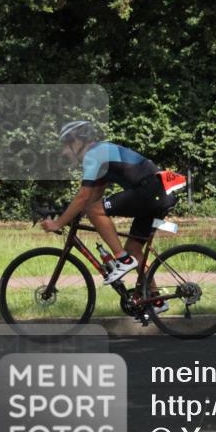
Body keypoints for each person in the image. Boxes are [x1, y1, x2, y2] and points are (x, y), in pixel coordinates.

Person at [42, 121, 185, 309]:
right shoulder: (102, 154)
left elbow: (85, 198)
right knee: (134, 250)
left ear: (76, 142)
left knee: (96, 212)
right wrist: (69, 214)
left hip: (151, 192)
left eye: (64, 146)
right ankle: (156, 300)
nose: (63, 152)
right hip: (155, 193)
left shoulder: (94, 155)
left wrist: (58, 223)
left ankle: (121, 259)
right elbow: (92, 197)